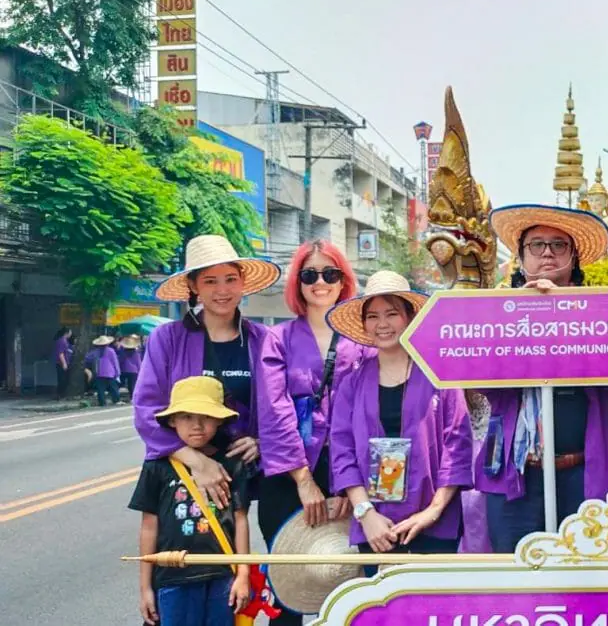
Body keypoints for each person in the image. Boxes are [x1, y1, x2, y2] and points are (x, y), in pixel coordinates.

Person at [477, 204, 608, 554]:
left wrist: (564, 310)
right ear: (520, 257)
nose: (547, 252)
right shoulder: (496, 313)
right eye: (537, 244)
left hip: (581, 473)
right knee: (514, 581)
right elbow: (481, 383)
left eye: (559, 245)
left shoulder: (600, 312)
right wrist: (521, 315)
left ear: (574, 257)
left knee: (587, 582)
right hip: (517, 474)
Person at [256, 240, 365, 624]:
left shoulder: (363, 339)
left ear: (343, 281)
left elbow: (367, 415)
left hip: (348, 472)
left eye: (330, 273)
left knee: (349, 587)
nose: (320, 282)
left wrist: (355, 488)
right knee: (288, 590)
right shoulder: (278, 338)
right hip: (290, 477)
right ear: (297, 283)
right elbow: (275, 410)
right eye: (310, 274)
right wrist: (303, 480)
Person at [328, 270, 473, 556]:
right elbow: (341, 450)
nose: (382, 324)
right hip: (374, 525)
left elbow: (458, 445)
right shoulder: (352, 383)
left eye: (391, 314)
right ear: (364, 324)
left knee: (432, 601)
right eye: (373, 316)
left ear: (409, 318)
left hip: (433, 523)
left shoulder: (439, 376)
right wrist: (365, 513)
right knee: (379, 600)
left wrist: (433, 511)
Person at [133, 234, 282, 510]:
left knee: (237, 545)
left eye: (230, 279)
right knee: (185, 548)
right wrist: (198, 461)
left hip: (244, 469)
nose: (222, 290)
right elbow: (146, 411)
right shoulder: (168, 339)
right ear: (194, 287)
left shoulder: (263, 339)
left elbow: (281, 406)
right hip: (183, 465)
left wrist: (263, 441)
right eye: (210, 281)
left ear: (243, 282)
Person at [130, 376, 251, 626]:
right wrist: (145, 588)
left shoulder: (231, 463)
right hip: (172, 577)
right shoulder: (157, 467)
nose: (197, 425)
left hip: (221, 576)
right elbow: (149, 527)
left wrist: (243, 574)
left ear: (219, 419)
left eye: (206, 417)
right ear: (172, 420)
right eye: (186, 417)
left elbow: (240, 520)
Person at [89, 335, 121, 406]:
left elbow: (89, 359)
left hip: (99, 372)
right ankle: (116, 400)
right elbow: (115, 362)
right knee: (113, 388)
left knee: (101, 389)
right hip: (110, 372)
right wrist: (118, 372)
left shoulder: (95, 352)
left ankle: (102, 402)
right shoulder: (111, 351)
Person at [52, 327, 73, 399]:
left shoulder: (65, 341)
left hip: (65, 363)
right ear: (66, 333)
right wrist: (64, 363)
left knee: (65, 379)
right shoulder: (62, 341)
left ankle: (61, 395)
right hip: (61, 364)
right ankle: (59, 395)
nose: (71, 333)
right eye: (70, 332)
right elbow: (61, 353)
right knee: (62, 380)